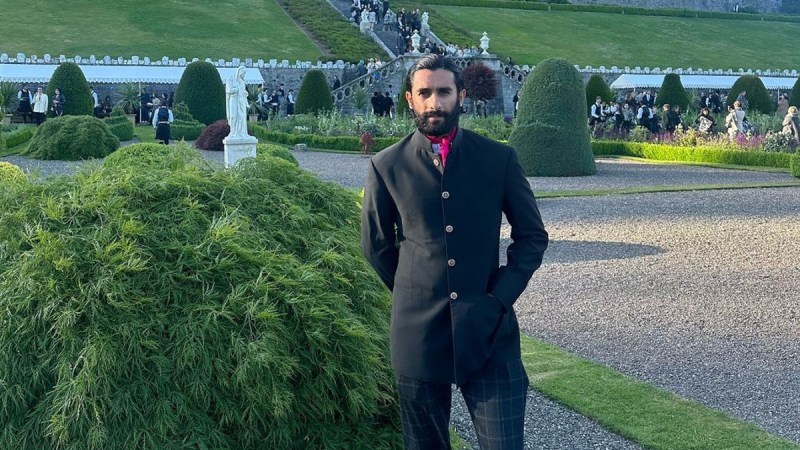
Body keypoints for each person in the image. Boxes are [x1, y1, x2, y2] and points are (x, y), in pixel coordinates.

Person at [361, 54, 548, 450]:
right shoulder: (386, 165)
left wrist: (499, 297)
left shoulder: (498, 159)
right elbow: (376, 246)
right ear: (409, 99)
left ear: (461, 96)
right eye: (424, 93)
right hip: (417, 334)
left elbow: (532, 236)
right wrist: (415, 291)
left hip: (489, 329)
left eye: (443, 92)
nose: (434, 103)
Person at [226, 66, 249, 138]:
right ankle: (233, 133)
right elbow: (229, 90)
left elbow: (243, 91)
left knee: (242, 117)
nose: (244, 75)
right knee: (233, 116)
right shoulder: (231, 79)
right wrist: (237, 89)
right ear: (240, 72)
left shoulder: (242, 81)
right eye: (244, 73)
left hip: (241, 101)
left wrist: (245, 92)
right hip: (233, 99)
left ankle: (242, 132)